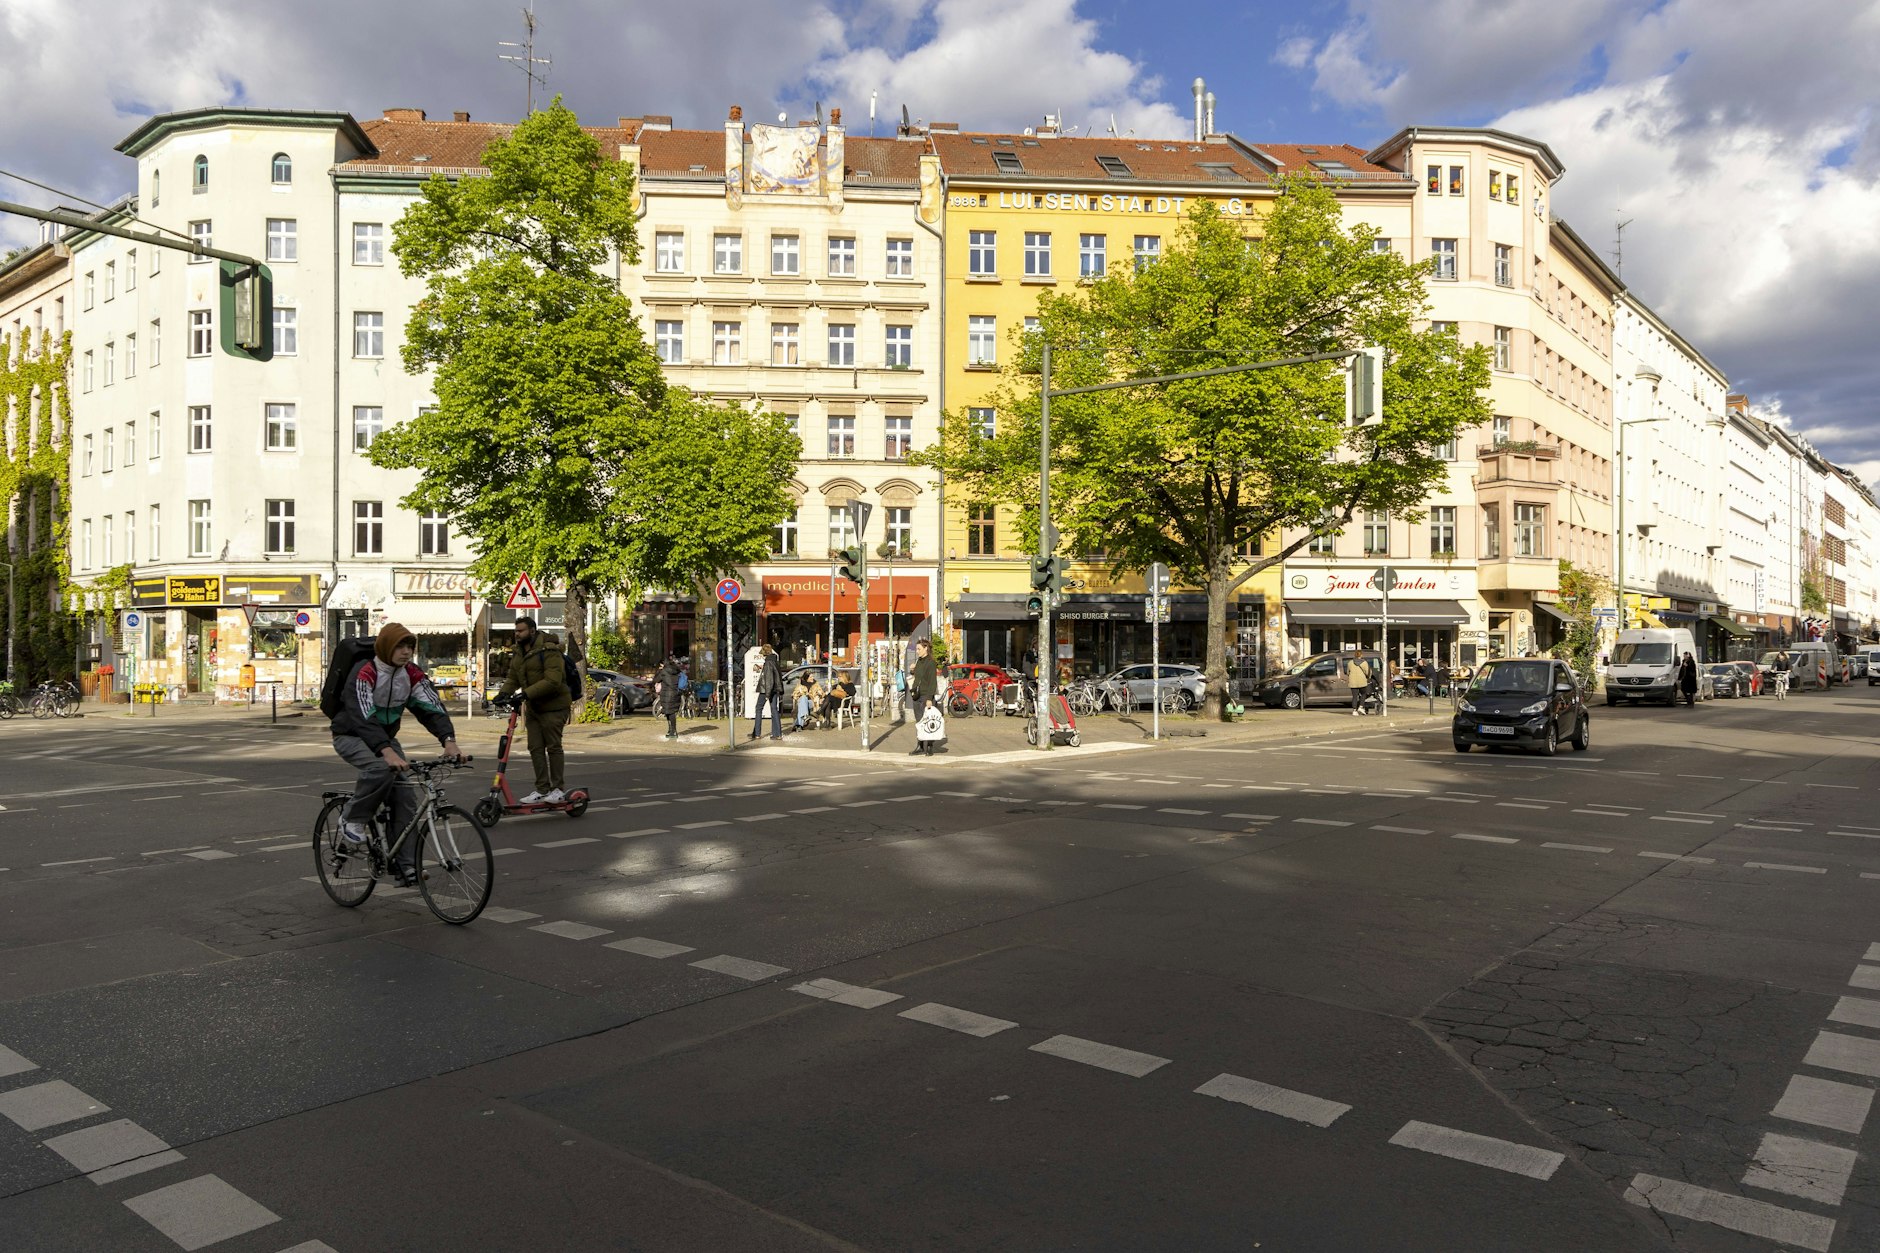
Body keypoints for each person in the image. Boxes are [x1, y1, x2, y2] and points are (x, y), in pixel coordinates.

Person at [329, 623, 463, 887]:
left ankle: (406, 867)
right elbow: (362, 717)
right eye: (400, 646)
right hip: (351, 735)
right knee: (380, 769)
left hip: (385, 738)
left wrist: (449, 741)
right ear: (386, 647)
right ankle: (352, 819)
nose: (406, 652)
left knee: (405, 799)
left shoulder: (412, 674)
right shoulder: (365, 672)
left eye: (409, 647)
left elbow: (431, 708)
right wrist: (386, 752)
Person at [494, 616, 571, 802]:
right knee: (535, 748)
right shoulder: (519, 652)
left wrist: (526, 694)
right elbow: (513, 678)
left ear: (532, 631)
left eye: (521, 631)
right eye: (516, 631)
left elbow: (553, 680)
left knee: (553, 747)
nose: (517, 634)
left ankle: (558, 789)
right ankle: (542, 789)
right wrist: (503, 694)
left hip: (554, 706)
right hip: (534, 708)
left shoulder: (549, 650)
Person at [908, 639, 941, 756]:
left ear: (926, 648)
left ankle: (930, 747)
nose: (917, 651)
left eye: (919, 649)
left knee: (928, 722)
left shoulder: (930, 663)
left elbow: (932, 681)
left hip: (925, 696)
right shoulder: (919, 661)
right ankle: (921, 746)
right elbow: (918, 676)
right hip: (916, 695)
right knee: (919, 723)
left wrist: (929, 698)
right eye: (917, 649)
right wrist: (912, 670)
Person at [749, 644, 783, 741]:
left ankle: (757, 733)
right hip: (775, 689)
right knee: (774, 710)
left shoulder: (768, 662)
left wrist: (767, 694)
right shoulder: (775, 661)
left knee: (758, 708)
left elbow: (769, 679)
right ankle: (777, 734)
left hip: (766, 690)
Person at [656, 654, 683, 738]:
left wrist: (659, 671)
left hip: (668, 694)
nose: (660, 666)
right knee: (669, 712)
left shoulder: (664, 671)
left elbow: (656, 680)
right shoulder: (675, 670)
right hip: (675, 693)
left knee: (670, 713)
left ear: (663, 664)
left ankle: (673, 731)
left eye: (660, 665)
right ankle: (671, 730)